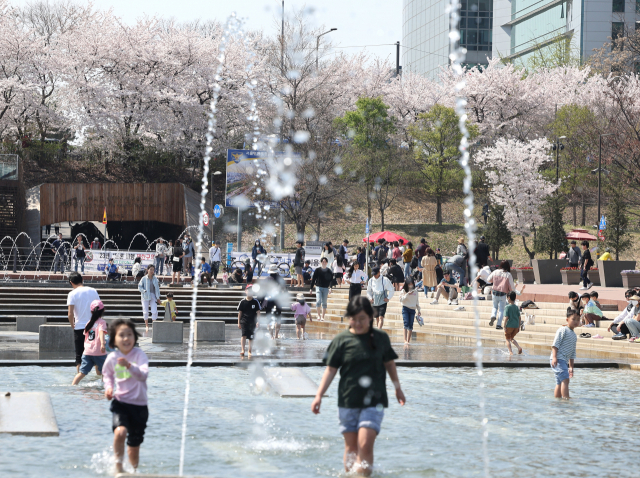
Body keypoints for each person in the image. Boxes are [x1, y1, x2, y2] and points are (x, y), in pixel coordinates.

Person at [311, 296, 405, 477]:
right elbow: (330, 370)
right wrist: (319, 396)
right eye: (353, 319)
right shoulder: (341, 340)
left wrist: (397, 388)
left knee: (365, 444)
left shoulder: (381, 338)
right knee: (352, 448)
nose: (357, 323)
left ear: (370, 317)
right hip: (348, 399)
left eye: (362, 318)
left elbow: (390, 364)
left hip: (374, 400)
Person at [103, 319, 149, 473]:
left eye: (129, 334)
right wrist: (109, 388)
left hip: (140, 407)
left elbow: (143, 375)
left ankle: (133, 472)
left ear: (134, 337)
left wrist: (129, 366)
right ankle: (118, 467)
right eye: (121, 335)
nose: (126, 338)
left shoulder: (139, 355)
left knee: (133, 449)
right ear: (114, 339)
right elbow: (107, 374)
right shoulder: (112, 358)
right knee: (120, 432)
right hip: (121, 402)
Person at [67, 272, 101, 373]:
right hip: (93, 327)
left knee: (79, 356)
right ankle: (99, 380)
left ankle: (79, 381)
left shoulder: (72, 294)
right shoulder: (93, 291)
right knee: (96, 354)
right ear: (82, 280)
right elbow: (98, 308)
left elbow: (70, 313)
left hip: (80, 328)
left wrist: (72, 324)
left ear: (71, 282)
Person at [72, 299, 108, 385]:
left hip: (87, 352)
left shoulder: (88, 323)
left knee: (82, 373)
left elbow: (87, 337)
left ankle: (73, 385)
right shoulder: (102, 322)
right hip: (99, 352)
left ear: (91, 312)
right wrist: (102, 344)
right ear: (103, 311)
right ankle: (103, 388)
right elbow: (101, 332)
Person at [550, 309, 579, 399]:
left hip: (563, 361)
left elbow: (572, 353)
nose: (576, 321)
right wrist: (554, 357)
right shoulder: (563, 330)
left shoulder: (574, 335)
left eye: (578, 319)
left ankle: (557, 400)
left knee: (559, 382)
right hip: (558, 359)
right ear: (567, 320)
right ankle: (566, 399)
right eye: (573, 319)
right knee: (565, 380)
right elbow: (555, 344)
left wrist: (571, 367)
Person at [487, 261, 516, 329]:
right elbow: (511, 286)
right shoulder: (508, 274)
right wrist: (512, 291)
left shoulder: (495, 271)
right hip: (503, 294)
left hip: (494, 292)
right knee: (501, 309)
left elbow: (488, 279)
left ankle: (493, 316)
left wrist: (493, 281)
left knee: (494, 307)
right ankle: (498, 325)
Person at [237, 286, 261, 357]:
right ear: (245, 291)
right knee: (243, 335)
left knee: (251, 337)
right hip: (244, 321)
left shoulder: (255, 301)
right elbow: (240, 313)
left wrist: (258, 321)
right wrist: (238, 322)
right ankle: (243, 350)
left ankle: (249, 351)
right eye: (248, 290)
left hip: (252, 322)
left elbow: (258, 312)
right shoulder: (242, 302)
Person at [138, 265, 161, 333]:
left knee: (154, 310)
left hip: (153, 296)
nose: (152, 271)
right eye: (150, 269)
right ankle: (147, 325)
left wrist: (158, 297)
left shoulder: (155, 279)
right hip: (145, 296)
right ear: (147, 270)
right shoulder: (144, 278)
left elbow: (157, 289)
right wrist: (144, 291)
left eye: (153, 270)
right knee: (145, 311)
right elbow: (139, 287)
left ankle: (154, 325)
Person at [399, 277, 421, 345]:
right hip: (405, 308)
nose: (410, 285)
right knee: (406, 323)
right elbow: (401, 300)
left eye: (411, 284)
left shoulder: (415, 291)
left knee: (410, 325)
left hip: (412, 309)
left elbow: (417, 301)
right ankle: (405, 340)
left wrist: (419, 310)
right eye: (409, 284)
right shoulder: (403, 291)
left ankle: (408, 341)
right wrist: (407, 294)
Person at [311, 257, 333, 321]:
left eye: (325, 262)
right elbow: (313, 279)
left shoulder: (329, 271)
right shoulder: (317, 270)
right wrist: (311, 288)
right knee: (318, 301)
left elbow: (331, 280)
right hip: (318, 287)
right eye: (323, 262)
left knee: (324, 302)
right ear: (321, 263)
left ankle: (323, 316)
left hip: (326, 288)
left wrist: (330, 288)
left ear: (327, 263)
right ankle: (318, 315)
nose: (324, 263)